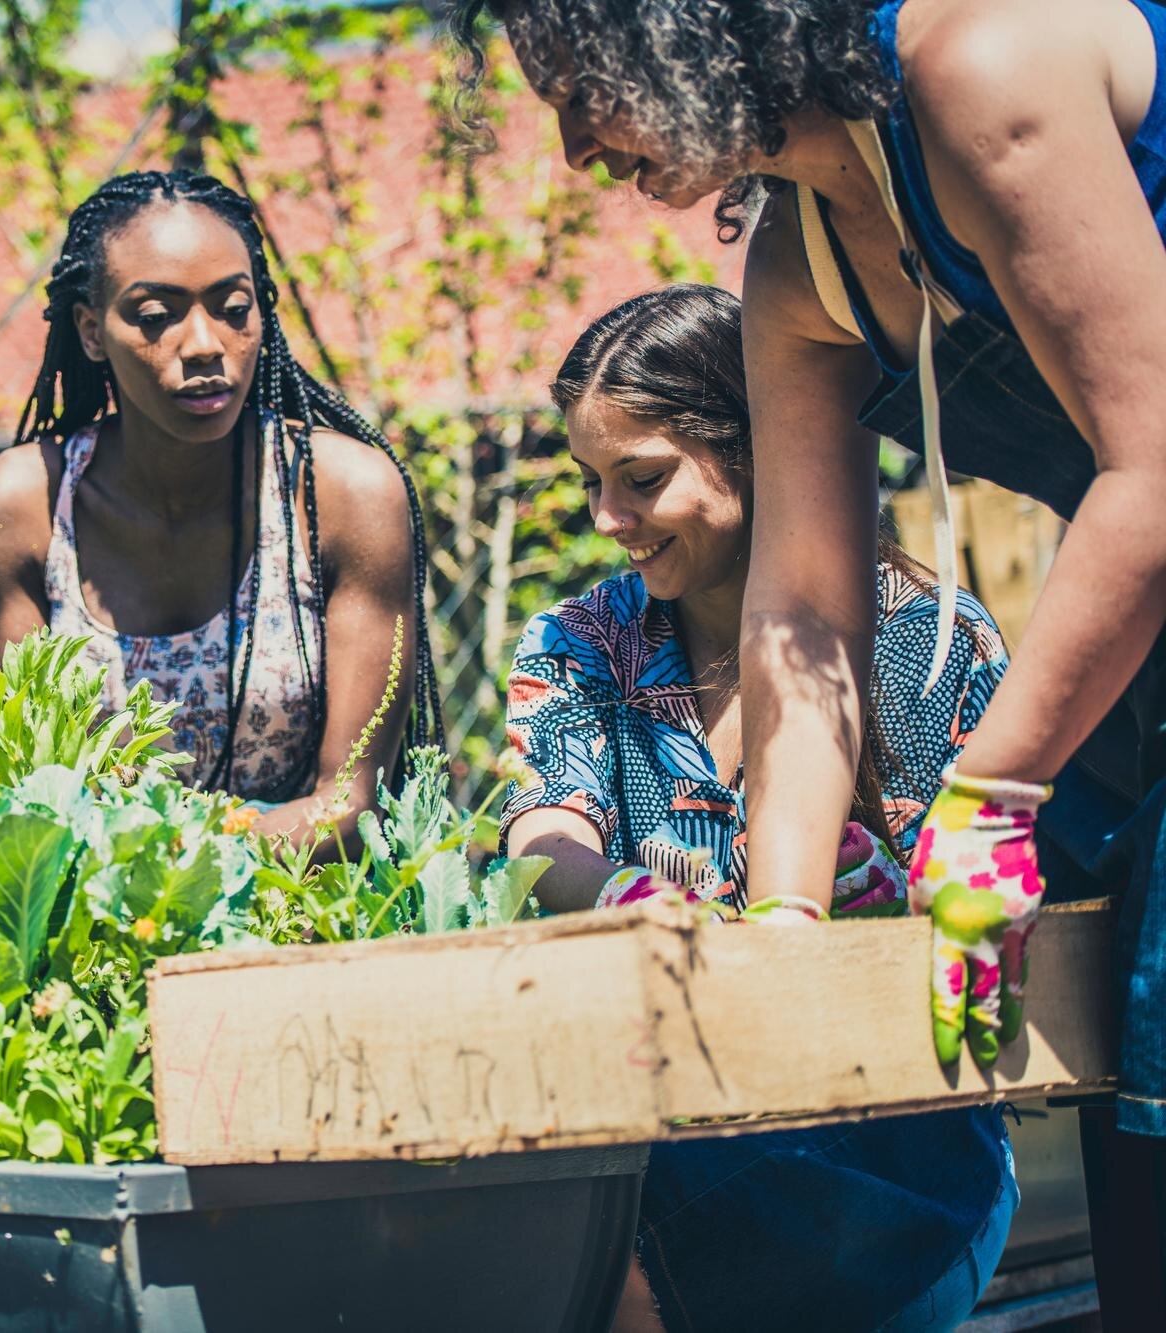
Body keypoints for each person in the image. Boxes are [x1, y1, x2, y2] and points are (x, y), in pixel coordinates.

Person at [455, 0, 1166, 1316]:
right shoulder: (796, 256)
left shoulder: (979, 63)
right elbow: (804, 625)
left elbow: (1158, 466)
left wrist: (989, 794)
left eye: (576, 88)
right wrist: (780, 927)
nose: (570, 149)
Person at [504, 284, 1016, 1332]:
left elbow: (977, 927)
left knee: (600, 1263)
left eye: (639, 479)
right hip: (659, 1108)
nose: (607, 521)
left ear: (753, 443)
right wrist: (617, 894)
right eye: (590, 483)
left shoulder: (924, 645)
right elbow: (542, 834)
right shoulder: (580, 642)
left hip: (897, 1139)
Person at [0, 169, 442, 841]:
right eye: (156, 316)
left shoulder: (343, 496)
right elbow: (21, 782)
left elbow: (350, 805)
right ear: (92, 330)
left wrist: (176, 871)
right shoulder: (25, 506)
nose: (204, 344)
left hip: (306, 914)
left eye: (233, 308)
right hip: (94, 922)